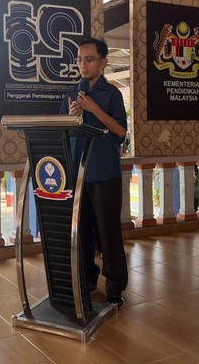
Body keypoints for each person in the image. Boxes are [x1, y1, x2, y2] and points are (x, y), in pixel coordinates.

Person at [59, 37, 128, 309]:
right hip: (77, 174)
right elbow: (62, 132)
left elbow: (120, 132)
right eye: (79, 60)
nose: (83, 64)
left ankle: (115, 287)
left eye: (89, 59)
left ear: (103, 62)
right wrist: (70, 116)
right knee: (82, 232)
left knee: (108, 232)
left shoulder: (112, 95)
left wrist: (93, 109)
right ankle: (87, 279)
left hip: (104, 172)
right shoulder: (71, 94)